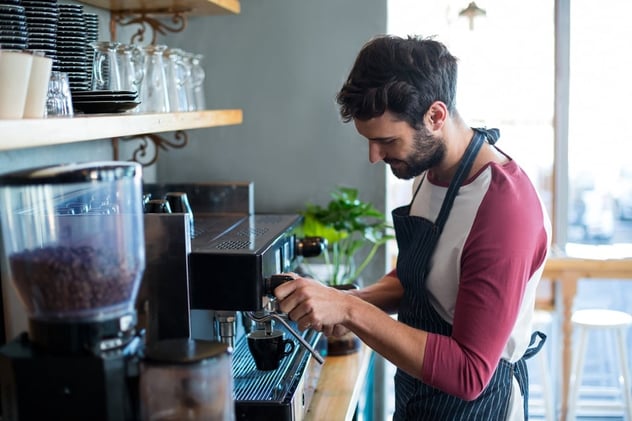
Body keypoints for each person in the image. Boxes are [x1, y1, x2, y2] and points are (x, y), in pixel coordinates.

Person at [274, 34, 552, 420]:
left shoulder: (504, 208)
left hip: (475, 408)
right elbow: (417, 279)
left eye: (386, 140)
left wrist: (351, 312)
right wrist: (339, 302)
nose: (375, 156)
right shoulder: (431, 170)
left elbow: (470, 372)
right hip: (419, 397)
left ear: (435, 117)